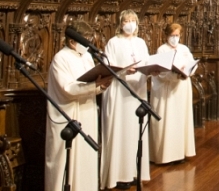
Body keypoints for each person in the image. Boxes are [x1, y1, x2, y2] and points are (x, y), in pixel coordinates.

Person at [45, 20, 112, 191]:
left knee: (85, 158)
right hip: (68, 113)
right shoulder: (61, 58)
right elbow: (68, 88)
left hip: (87, 111)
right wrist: (93, 86)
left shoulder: (87, 56)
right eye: (85, 39)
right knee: (64, 162)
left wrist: (100, 86)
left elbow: (91, 84)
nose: (88, 43)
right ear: (72, 41)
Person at [101, 10, 150, 190]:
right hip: (119, 92)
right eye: (127, 21)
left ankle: (136, 172)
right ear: (120, 23)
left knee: (134, 131)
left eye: (133, 21)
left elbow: (146, 63)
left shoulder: (141, 43)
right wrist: (123, 71)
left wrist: (150, 70)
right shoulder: (113, 43)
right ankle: (118, 175)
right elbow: (108, 67)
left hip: (137, 91)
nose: (130, 24)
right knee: (120, 131)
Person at [149, 23, 196, 164]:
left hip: (182, 88)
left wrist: (188, 72)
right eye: (172, 36)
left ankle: (180, 153)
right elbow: (161, 72)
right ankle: (165, 156)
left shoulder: (184, 49)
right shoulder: (162, 50)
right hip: (167, 90)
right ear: (166, 36)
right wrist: (175, 75)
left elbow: (192, 64)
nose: (175, 38)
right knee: (168, 120)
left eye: (177, 35)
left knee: (180, 120)